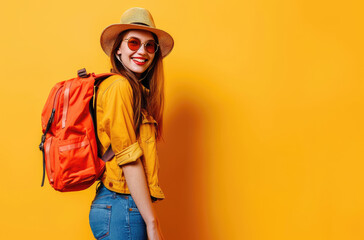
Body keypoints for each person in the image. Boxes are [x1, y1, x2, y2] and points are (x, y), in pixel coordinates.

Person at [88, 7, 174, 240]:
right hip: (122, 204)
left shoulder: (133, 92)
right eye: (134, 43)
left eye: (149, 46)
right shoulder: (119, 87)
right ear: (118, 50)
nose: (142, 51)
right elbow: (128, 157)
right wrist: (152, 222)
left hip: (121, 204)